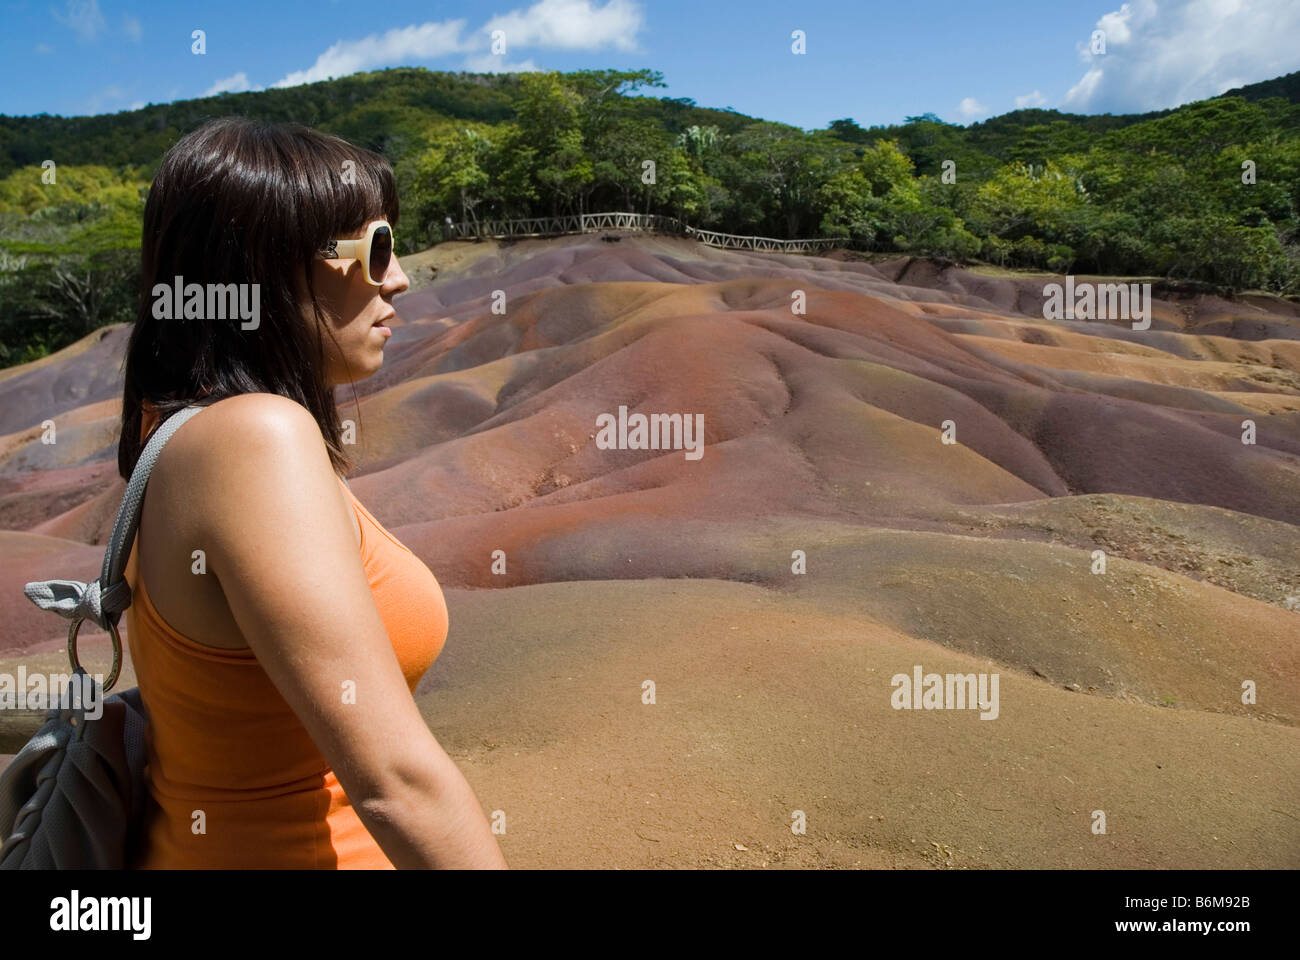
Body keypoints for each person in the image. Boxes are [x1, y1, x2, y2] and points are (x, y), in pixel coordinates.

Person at [116, 116, 507, 869]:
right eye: (376, 249)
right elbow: (397, 783)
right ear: (267, 268)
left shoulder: (179, 429)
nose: (396, 278)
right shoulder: (252, 439)